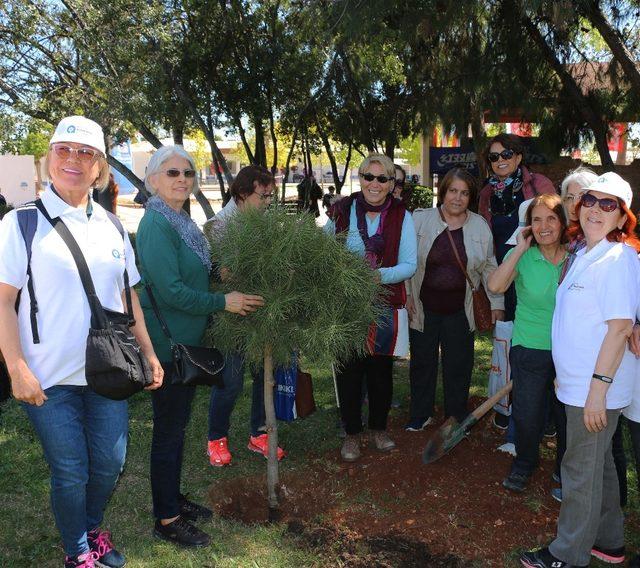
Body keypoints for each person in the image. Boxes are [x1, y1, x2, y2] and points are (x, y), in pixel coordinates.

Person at [0, 116, 164, 568]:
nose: (73, 159)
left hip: (108, 369)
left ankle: (91, 527)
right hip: (48, 377)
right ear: (49, 159)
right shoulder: (20, 224)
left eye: (85, 152)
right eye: (63, 150)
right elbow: (3, 302)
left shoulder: (112, 227)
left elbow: (128, 296)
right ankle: (77, 551)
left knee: (110, 464)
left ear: (100, 168)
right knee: (70, 471)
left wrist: (148, 352)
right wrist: (16, 367)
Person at [137, 147, 264, 547]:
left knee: (176, 427)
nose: (182, 178)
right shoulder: (156, 225)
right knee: (169, 432)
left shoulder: (179, 221)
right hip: (168, 345)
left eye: (189, 172)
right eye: (172, 172)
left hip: (187, 342)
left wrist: (218, 274)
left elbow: (195, 271)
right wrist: (221, 301)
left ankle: (172, 499)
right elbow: (171, 291)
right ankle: (167, 518)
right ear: (153, 179)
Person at [521, 172, 640, 568]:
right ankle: (609, 542)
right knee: (600, 465)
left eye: (610, 205)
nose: (596, 209)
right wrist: (566, 371)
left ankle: (567, 555)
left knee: (579, 470)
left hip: (597, 390)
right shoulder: (584, 253)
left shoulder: (617, 258)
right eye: (591, 200)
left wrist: (596, 390)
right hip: (579, 384)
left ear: (622, 218)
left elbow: (620, 326)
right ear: (579, 204)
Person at [325, 153, 417, 461]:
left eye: (382, 179)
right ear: (360, 178)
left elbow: (409, 265)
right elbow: (322, 251)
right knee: (349, 370)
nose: (374, 184)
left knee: (380, 371)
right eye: (368, 177)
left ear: (392, 184)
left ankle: (378, 428)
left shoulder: (403, 215)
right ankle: (351, 433)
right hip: (346, 304)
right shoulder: (341, 211)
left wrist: (379, 275)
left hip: (383, 302)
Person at [405, 168, 504, 431]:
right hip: (424, 307)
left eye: (464, 193)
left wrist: (497, 303)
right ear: (443, 191)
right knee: (422, 363)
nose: (457, 198)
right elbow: (406, 260)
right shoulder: (420, 220)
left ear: (470, 197)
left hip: (461, 310)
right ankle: (420, 414)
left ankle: (455, 417)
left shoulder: (479, 226)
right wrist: (406, 295)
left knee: (458, 366)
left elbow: (489, 268)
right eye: (453, 191)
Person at [204, 165, 286, 467]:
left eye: (270, 197)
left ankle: (259, 434)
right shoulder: (217, 226)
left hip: (262, 312)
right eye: (263, 196)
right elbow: (225, 274)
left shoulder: (263, 223)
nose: (267, 203)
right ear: (241, 193)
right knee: (231, 380)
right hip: (232, 317)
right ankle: (216, 438)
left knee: (265, 376)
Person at [488, 194, 567, 493]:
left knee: (565, 415)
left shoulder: (576, 257)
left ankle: (563, 468)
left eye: (551, 218)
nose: (544, 226)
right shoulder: (523, 255)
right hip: (530, 345)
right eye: (536, 220)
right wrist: (520, 249)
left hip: (569, 349)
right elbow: (495, 286)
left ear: (562, 222)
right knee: (528, 412)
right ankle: (525, 463)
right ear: (528, 225)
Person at [478, 133, 555, 432]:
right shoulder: (486, 193)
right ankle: (508, 406)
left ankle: (545, 413)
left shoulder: (539, 186)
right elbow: (487, 240)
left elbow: (552, 226)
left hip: (535, 274)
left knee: (540, 341)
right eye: (494, 157)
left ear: (519, 157)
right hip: (504, 276)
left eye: (506, 154)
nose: (501, 161)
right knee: (509, 344)